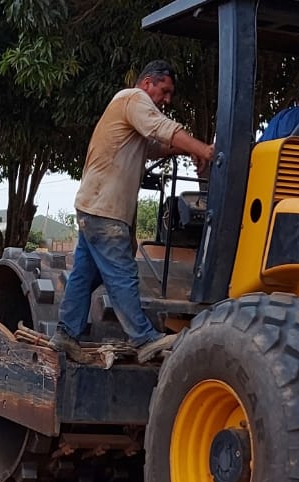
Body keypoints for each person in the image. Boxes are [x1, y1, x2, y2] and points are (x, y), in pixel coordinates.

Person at [53, 60, 215, 364]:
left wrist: (185, 149)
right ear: (147, 84)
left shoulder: (123, 107)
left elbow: (152, 147)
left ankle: (65, 334)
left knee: (84, 276)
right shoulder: (134, 99)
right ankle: (143, 338)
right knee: (122, 274)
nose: (166, 99)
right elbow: (161, 128)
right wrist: (204, 150)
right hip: (106, 208)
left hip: (93, 205)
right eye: (164, 91)